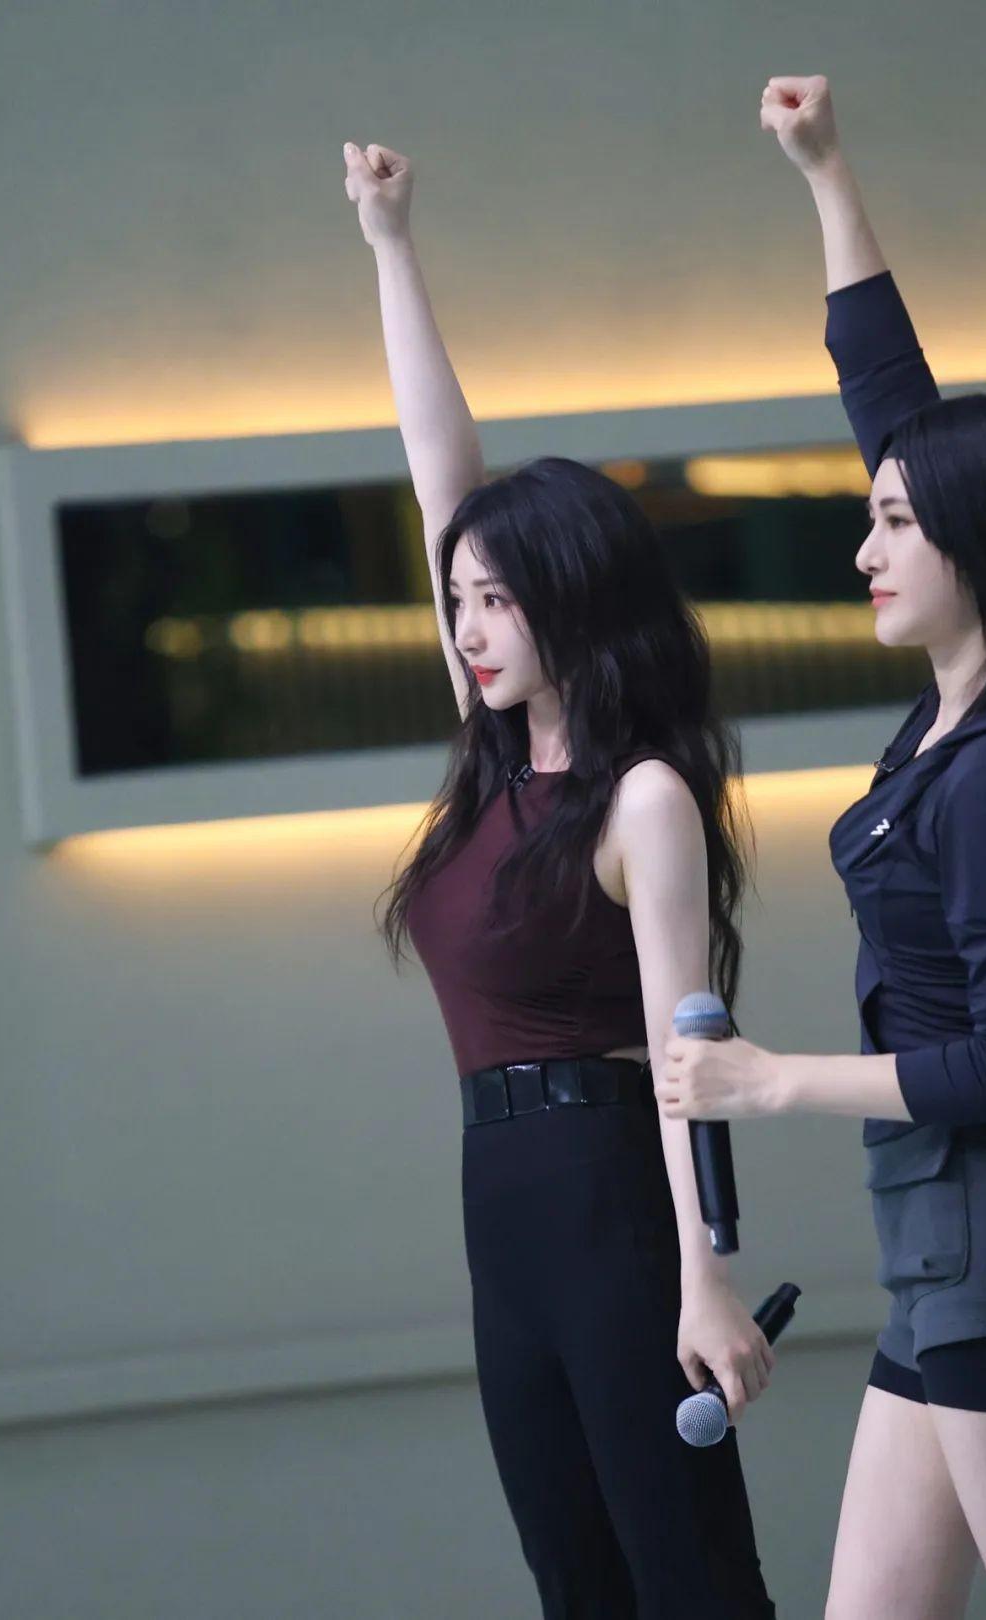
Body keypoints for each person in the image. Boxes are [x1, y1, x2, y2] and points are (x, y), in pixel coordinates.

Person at [343, 139, 777, 1617]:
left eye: (496, 599)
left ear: (572, 600)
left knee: (686, 1574)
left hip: (608, 1192)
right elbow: (440, 470)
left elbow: (684, 1055)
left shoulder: (641, 796)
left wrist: (707, 1277)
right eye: (456, 599)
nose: (466, 627)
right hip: (501, 1202)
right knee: (572, 1580)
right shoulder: (486, 760)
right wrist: (391, 243)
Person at [657, 76, 986, 1620]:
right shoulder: (955, 709)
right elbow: (891, 392)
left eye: (893, 523)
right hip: (936, 1249)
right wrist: (824, 170)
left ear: (981, 543)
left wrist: (769, 1082)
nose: (862, 547)